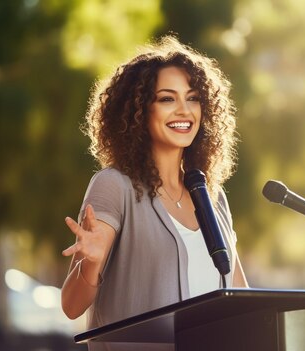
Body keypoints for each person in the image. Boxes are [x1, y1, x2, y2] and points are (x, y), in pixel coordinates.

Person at [60, 36, 249, 350]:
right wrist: (89, 264)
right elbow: (71, 305)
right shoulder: (115, 185)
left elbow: (242, 298)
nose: (184, 110)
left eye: (192, 98)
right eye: (167, 99)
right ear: (138, 110)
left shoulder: (212, 197)